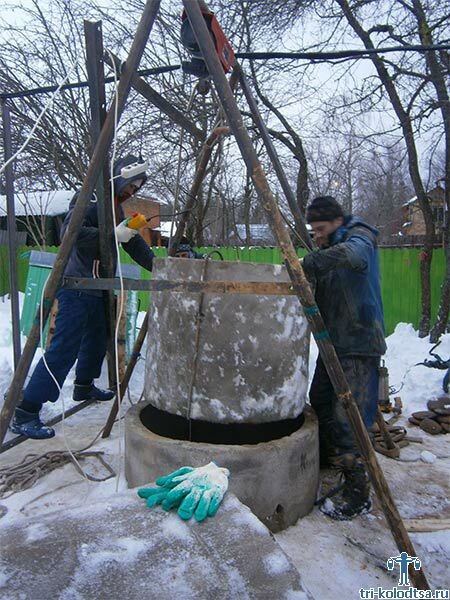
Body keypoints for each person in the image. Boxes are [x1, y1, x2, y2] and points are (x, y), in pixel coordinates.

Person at [10, 154, 155, 440]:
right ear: (118, 178)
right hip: (77, 284)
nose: (131, 192)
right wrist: (113, 232)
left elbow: (133, 243)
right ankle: (26, 410)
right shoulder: (88, 199)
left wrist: (159, 265)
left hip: (97, 286)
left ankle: (84, 385)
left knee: (98, 339)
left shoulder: (114, 207)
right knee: (64, 348)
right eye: (129, 186)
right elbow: (71, 233)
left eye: (135, 189)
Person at [302, 195, 386, 520]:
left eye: (320, 228)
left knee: (350, 418)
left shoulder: (359, 235)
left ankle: (357, 492)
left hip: (359, 341)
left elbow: (353, 256)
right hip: (334, 343)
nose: (317, 235)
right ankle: (329, 462)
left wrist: (310, 262)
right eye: (313, 230)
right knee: (320, 398)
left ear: (337, 221)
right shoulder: (329, 248)